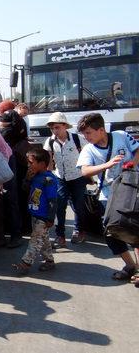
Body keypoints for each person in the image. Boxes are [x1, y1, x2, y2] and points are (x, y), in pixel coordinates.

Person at [76, 113, 139, 280]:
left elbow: (137, 150)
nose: (86, 137)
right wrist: (107, 165)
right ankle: (131, 265)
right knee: (112, 232)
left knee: (135, 229)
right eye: (84, 134)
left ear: (101, 130)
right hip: (109, 195)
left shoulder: (121, 136)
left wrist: (132, 163)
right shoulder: (89, 149)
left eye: (88, 133)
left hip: (133, 191)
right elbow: (85, 170)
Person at [42, 112, 88, 248]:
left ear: (64, 126)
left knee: (78, 205)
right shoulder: (50, 141)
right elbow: (49, 163)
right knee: (60, 207)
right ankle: (60, 235)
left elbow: (88, 155)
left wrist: (90, 173)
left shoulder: (77, 139)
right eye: (52, 128)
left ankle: (79, 231)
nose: (54, 130)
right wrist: (47, 179)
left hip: (78, 177)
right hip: (60, 178)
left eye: (57, 127)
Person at [12, 148, 58, 275]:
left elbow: (52, 200)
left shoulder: (49, 180)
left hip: (43, 217)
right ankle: (49, 260)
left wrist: (50, 217)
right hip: (35, 213)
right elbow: (25, 189)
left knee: (35, 239)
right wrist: (27, 179)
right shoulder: (35, 176)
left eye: (31, 162)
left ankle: (25, 263)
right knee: (43, 239)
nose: (28, 165)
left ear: (42, 164)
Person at [0, 109, 31, 247]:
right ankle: (23, 228)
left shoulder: (6, 132)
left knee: (11, 199)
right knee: (20, 198)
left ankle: (15, 234)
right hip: (21, 166)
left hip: (10, 167)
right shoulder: (20, 127)